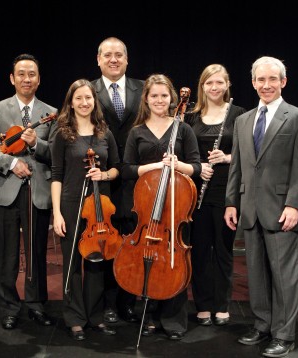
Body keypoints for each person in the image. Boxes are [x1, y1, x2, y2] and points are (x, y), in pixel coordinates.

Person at [224, 56, 298, 357]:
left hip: (282, 210)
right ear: (253, 83)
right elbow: (237, 166)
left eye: (272, 79)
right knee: (256, 274)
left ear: (283, 82)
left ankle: (284, 335)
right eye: (260, 80)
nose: (266, 85)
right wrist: (231, 203)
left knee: (284, 275)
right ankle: (262, 325)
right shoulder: (242, 120)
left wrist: (294, 206)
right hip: (250, 209)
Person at [0, 53, 57, 330]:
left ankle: (36, 304)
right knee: (6, 253)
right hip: (4, 189)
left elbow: (57, 152)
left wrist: (36, 145)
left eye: (32, 74)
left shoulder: (51, 112)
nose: (26, 78)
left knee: (36, 252)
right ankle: (9, 306)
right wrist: (10, 163)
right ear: (12, 78)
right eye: (21, 74)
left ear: (39, 79)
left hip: (38, 190)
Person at [121, 74, 201, 340]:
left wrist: (179, 166)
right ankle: (149, 315)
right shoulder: (137, 132)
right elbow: (127, 169)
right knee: (145, 262)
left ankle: (173, 319)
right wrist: (155, 166)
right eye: (153, 95)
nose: (159, 100)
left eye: (164, 96)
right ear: (146, 98)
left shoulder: (184, 129)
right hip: (146, 209)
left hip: (175, 210)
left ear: (172, 99)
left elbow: (197, 167)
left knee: (173, 264)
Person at [50, 79, 119, 341]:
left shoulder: (104, 132)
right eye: (78, 98)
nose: (84, 103)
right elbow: (56, 175)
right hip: (70, 203)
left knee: (96, 262)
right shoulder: (62, 134)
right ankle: (74, 317)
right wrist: (56, 213)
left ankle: (95, 316)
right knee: (72, 263)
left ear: (94, 101)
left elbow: (117, 167)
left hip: (100, 207)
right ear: (71, 102)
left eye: (88, 98)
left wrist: (104, 175)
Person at [184, 64, 246, 327]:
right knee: (199, 251)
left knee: (222, 250)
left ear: (227, 84)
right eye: (209, 83)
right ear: (202, 85)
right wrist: (199, 168)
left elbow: (248, 154)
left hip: (226, 191)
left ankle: (221, 305)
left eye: (219, 82)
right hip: (196, 190)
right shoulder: (190, 116)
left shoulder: (239, 114)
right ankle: (202, 304)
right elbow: (185, 153)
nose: (214, 87)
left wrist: (226, 157)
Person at [91, 36, 144, 324]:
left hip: (137, 178)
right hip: (104, 178)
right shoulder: (87, 91)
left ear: (127, 59)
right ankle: (107, 303)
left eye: (119, 55)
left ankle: (129, 301)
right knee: (108, 243)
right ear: (98, 59)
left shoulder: (145, 89)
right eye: (108, 55)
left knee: (132, 240)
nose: (114, 59)